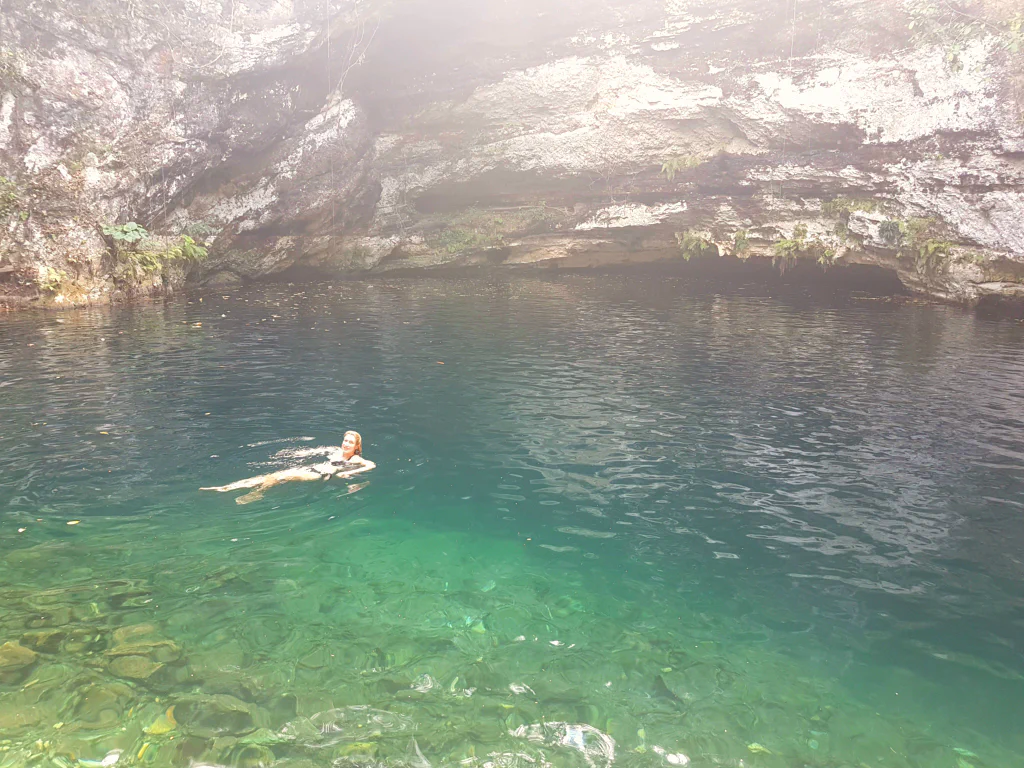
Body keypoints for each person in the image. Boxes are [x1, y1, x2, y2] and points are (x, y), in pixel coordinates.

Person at [201, 430, 375, 505]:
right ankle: (228, 487)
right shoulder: (336, 450)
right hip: (311, 469)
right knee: (269, 476)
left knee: (279, 477)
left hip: (318, 475)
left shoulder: (356, 458)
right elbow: (316, 450)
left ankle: (258, 493)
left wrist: (351, 472)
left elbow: (371, 465)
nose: (346, 444)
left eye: (350, 442)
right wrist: (295, 454)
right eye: (345, 440)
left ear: (356, 446)